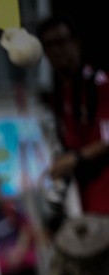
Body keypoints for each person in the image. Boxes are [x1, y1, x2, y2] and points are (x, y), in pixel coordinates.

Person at [37, 14, 109, 218]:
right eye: (49, 45)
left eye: (61, 42)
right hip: (84, 208)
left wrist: (74, 159)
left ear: (75, 42)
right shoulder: (56, 97)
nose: (57, 51)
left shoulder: (99, 83)